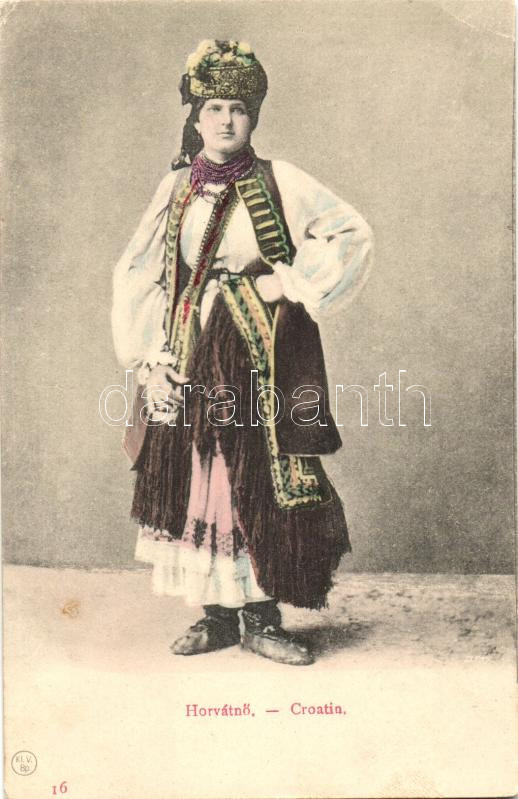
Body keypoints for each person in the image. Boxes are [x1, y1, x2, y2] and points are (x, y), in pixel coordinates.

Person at [112, 39, 373, 666]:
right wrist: (152, 359)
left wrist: (289, 282)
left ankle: (263, 618)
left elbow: (351, 232)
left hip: (261, 350)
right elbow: (139, 271)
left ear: (253, 117)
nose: (226, 121)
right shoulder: (176, 188)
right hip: (192, 344)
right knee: (198, 470)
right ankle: (217, 616)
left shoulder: (281, 180)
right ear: (197, 116)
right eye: (215, 108)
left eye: (239, 109)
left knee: (255, 470)